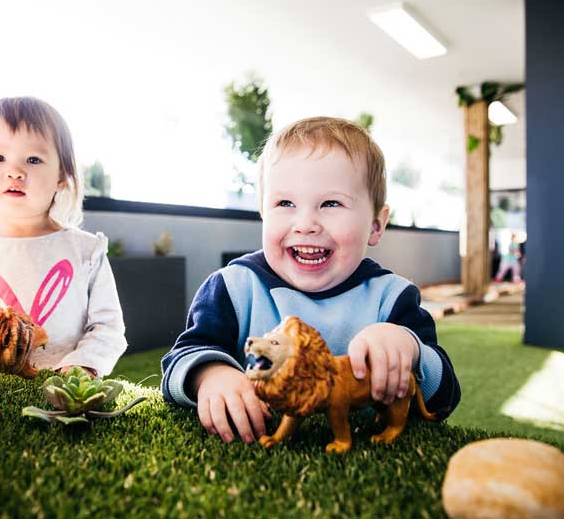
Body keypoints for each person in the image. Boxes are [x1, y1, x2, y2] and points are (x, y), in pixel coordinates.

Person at [161, 117, 461, 444]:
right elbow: (182, 359)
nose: (305, 224)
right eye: (285, 203)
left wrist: (410, 351)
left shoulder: (392, 298)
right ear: (263, 212)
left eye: (331, 203)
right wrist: (211, 376)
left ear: (376, 225)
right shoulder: (234, 288)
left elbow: (444, 398)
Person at [0, 96, 127, 378]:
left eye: (33, 159)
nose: (15, 171)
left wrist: (82, 365)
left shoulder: (86, 251)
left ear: (62, 174)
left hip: (65, 394)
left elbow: (108, 326)